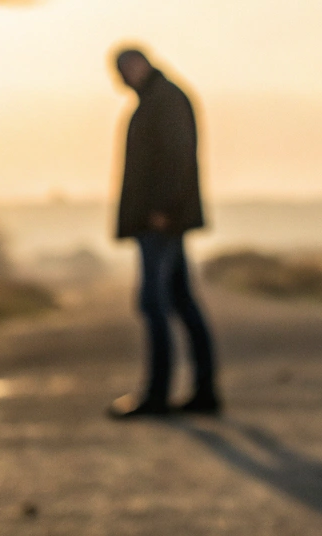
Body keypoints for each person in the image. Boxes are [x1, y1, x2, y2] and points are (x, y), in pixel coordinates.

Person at [108, 47, 221, 418]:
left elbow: (178, 156)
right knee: (181, 301)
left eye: (126, 67)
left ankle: (158, 395)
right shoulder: (157, 99)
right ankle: (205, 391)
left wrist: (163, 209)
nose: (123, 76)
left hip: (160, 221)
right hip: (161, 220)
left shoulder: (165, 99)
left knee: (154, 303)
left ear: (141, 64)